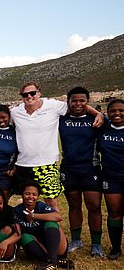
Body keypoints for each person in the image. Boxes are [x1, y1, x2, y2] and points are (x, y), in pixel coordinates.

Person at [11, 81, 103, 211]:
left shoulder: (53, 106)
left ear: (39, 93)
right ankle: (31, 229)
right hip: (24, 164)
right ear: (21, 96)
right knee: (27, 202)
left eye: (32, 93)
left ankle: (54, 230)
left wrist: (97, 114)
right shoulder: (16, 112)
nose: (29, 96)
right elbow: (1, 118)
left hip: (47, 164)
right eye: (25, 94)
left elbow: (78, 105)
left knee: (51, 203)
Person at [59, 87, 103, 256]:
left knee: (94, 206)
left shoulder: (97, 119)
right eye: (74, 101)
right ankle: (76, 240)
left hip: (90, 168)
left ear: (88, 101)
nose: (78, 104)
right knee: (74, 206)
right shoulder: (61, 118)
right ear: (68, 102)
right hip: (69, 169)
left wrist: (98, 114)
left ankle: (96, 244)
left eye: (82, 100)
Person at [13, 181, 73, 270]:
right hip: (38, 247)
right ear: (22, 194)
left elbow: (58, 217)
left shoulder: (41, 206)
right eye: (27, 194)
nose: (30, 197)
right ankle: (55, 262)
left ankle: (52, 260)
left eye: (34, 194)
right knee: (24, 236)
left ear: (38, 196)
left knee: (51, 223)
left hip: (55, 246)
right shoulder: (17, 210)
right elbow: (17, 232)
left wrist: (34, 216)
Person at [97, 99, 124, 260]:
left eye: (121, 110)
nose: (117, 113)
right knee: (114, 212)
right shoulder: (103, 128)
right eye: (113, 111)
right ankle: (115, 248)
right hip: (111, 177)